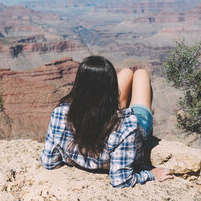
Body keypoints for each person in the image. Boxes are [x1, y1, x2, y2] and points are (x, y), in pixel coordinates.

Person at [40, 55, 173, 187]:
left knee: (126, 72)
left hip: (107, 121)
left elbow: (49, 162)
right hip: (125, 127)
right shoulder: (125, 127)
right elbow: (121, 181)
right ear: (112, 88)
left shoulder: (60, 113)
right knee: (141, 74)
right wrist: (151, 174)